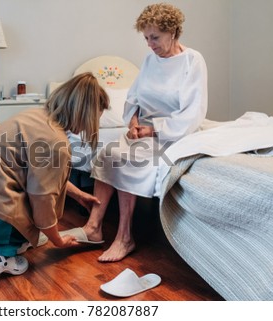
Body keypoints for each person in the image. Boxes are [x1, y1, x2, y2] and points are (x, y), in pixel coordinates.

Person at [78, 3, 208, 262]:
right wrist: (133, 121)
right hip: (143, 129)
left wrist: (153, 129)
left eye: (155, 37)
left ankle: (125, 238)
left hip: (172, 131)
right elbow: (134, 96)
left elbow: (193, 113)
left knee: (128, 158)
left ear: (172, 32)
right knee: (107, 153)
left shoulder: (192, 61)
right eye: (146, 38)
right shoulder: (150, 59)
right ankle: (93, 227)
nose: (150, 44)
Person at [0, 72, 109, 275]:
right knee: (29, 204)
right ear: (84, 113)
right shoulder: (55, 143)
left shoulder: (36, 116)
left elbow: (42, 176)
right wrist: (57, 240)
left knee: (25, 192)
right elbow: (42, 197)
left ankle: (14, 241)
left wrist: (79, 195)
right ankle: (0, 257)